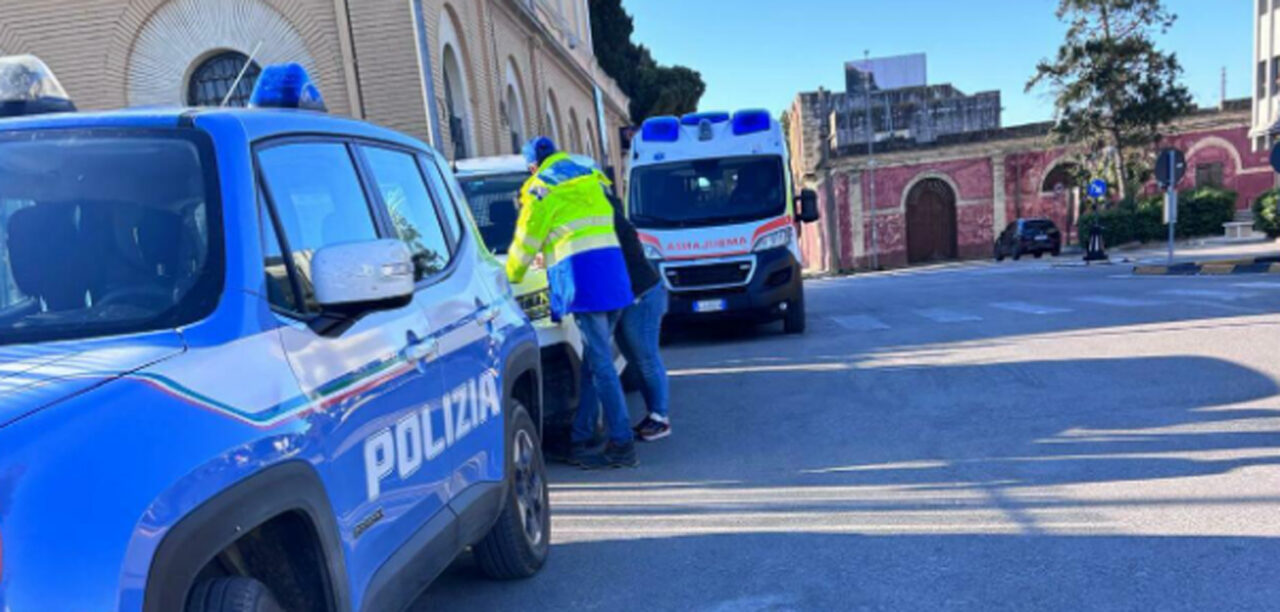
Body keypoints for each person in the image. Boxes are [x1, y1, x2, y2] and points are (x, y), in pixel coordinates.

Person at [506, 137, 637, 469]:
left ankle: (622, 442)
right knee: (595, 361)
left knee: (602, 365)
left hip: (584, 280)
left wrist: (508, 279)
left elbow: (526, 241)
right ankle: (581, 437)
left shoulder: (540, 187)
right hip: (613, 275)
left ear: (532, 166)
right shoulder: (587, 175)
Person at [576, 187, 671, 441]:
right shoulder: (610, 218)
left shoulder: (610, 227)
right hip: (630, 296)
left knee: (646, 357)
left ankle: (660, 417)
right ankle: (654, 415)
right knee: (635, 357)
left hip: (642, 295)